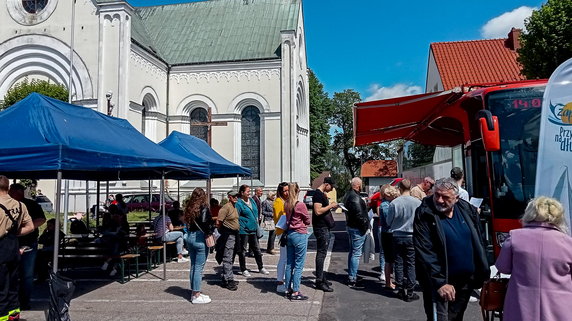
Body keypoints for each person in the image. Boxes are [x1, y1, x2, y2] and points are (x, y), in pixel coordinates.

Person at [414, 177, 489, 321]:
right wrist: (440, 282)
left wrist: (483, 272)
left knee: (456, 317)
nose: (440, 200)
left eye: (445, 197)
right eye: (437, 195)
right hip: (441, 283)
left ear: (457, 198)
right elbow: (425, 251)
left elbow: (479, 241)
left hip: (466, 281)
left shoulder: (467, 209)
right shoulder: (425, 213)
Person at [495, 197, 572, 321]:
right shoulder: (569, 243)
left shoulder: (515, 237)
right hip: (560, 309)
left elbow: (503, 268)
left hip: (521, 306)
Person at [0, 176, 34, 321]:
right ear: (8, 188)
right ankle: (13, 316)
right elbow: (31, 227)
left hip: (1, 248)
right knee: (13, 287)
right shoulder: (20, 205)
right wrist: (14, 233)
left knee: (1, 289)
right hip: (13, 247)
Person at [8, 183, 46, 310]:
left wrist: (26, 229)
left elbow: (41, 219)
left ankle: (24, 302)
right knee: (9, 273)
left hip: (28, 243)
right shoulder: (7, 204)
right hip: (10, 243)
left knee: (27, 274)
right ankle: (10, 301)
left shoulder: (30, 205)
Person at [387, 179, 421, 302]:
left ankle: (400, 289)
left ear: (399, 188)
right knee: (411, 263)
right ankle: (411, 291)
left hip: (397, 235)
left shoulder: (394, 203)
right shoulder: (417, 202)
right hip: (412, 235)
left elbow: (389, 220)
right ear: (410, 187)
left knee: (399, 262)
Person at [183, 187, 214, 304]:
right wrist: (211, 230)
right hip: (200, 238)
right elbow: (206, 223)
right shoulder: (204, 208)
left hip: (190, 236)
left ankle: (194, 292)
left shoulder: (189, 208)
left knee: (193, 265)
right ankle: (196, 294)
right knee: (199, 267)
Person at [283, 183, 311, 301]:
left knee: (290, 263)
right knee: (299, 265)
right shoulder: (300, 205)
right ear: (298, 191)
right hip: (300, 233)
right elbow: (308, 220)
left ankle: (288, 288)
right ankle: (296, 291)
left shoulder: (286, 204)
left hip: (290, 233)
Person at [235, 184, 269, 276]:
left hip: (253, 229)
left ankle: (261, 267)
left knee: (257, 250)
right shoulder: (239, 203)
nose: (249, 193)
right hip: (244, 230)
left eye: (249, 191)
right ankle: (243, 269)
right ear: (242, 192)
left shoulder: (252, 201)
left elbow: (256, 211)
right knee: (242, 250)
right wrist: (243, 225)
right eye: (247, 191)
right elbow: (236, 216)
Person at [343, 177, 370, 288]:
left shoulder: (348, 195)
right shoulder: (355, 197)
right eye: (361, 184)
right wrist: (365, 227)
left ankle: (352, 275)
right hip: (357, 228)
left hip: (351, 226)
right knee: (356, 253)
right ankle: (352, 278)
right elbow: (359, 215)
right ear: (358, 185)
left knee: (352, 252)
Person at [312, 176, 337, 292]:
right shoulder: (317, 194)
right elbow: (317, 211)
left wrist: (328, 204)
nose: (331, 189)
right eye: (331, 187)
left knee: (323, 253)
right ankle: (319, 280)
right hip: (320, 227)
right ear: (326, 184)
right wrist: (330, 206)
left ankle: (322, 277)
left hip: (323, 226)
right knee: (321, 253)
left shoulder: (321, 194)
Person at [215, 190, 240, 291]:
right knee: (227, 257)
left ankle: (227, 277)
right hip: (228, 235)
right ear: (229, 197)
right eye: (234, 196)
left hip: (234, 235)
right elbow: (218, 222)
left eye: (237, 196)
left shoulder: (234, 207)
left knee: (232, 257)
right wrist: (223, 232)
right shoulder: (225, 208)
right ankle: (228, 280)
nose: (236, 198)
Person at [100, 205, 130, 276]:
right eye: (115, 216)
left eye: (118, 216)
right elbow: (107, 231)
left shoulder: (124, 224)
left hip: (121, 243)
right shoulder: (113, 223)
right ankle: (114, 268)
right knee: (118, 251)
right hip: (116, 243)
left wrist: (120, 231)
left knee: (117, 250)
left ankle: (108, 262)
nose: (116, 217)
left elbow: (126, 233)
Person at [380, 185, 400, 288]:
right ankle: (388, 282)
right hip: (388, 233)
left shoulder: (386, 204)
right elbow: (389, 221)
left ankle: (391, 281)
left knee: (390, 259)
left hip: (388, 232)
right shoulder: (386, 205)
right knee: (389, 259)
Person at [36, 219, 65, 283]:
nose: (48, 227)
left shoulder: (58, 233)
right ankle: (40, 274)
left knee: (42, 258)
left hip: (52, 251)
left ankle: (42, 276)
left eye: (50, 226)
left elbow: (51, 242)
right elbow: (40, 240)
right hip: (46, 250)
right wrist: (44, 233)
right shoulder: (47, 233)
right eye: (48, 225)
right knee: (38, 255)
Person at [273, 182, 289, 293]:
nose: (287, 193)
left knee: (286, 258)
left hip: (286, 230)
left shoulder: (285, 201)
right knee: (284, 258)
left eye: (288, 190)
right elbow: (280, 217)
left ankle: (283, 280)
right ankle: (280, 282)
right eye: (285, 191)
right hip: (282, 231)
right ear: (280, 191)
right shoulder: (278, 202)